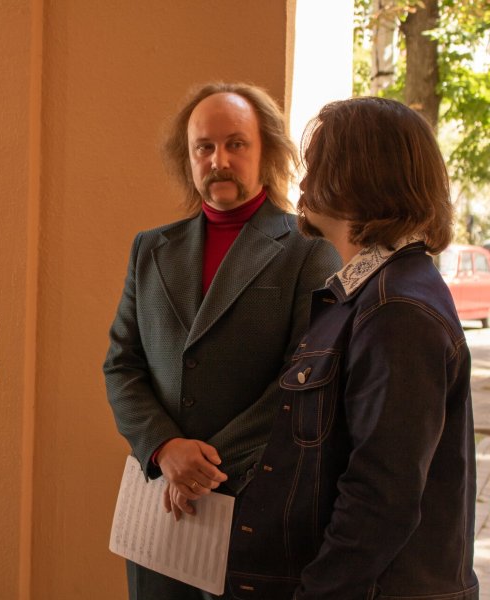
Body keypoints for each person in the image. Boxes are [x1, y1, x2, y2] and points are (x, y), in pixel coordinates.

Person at [226, 97, 478, 599]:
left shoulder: (396, 307)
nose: (303, 179)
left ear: (361, 175)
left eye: (318, 163)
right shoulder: (371, 292)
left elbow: (381, 497)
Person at [103, 81, 340, 599]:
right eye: (204, 147)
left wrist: (201, 469)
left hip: (254, 504)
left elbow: (303, 379)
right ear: (187, 158)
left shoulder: (308, 250)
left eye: (236, 144)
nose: (219, 160)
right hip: (158, 505)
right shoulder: (150, 249)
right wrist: (164, 449)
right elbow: (121, 365)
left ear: (266, 151)